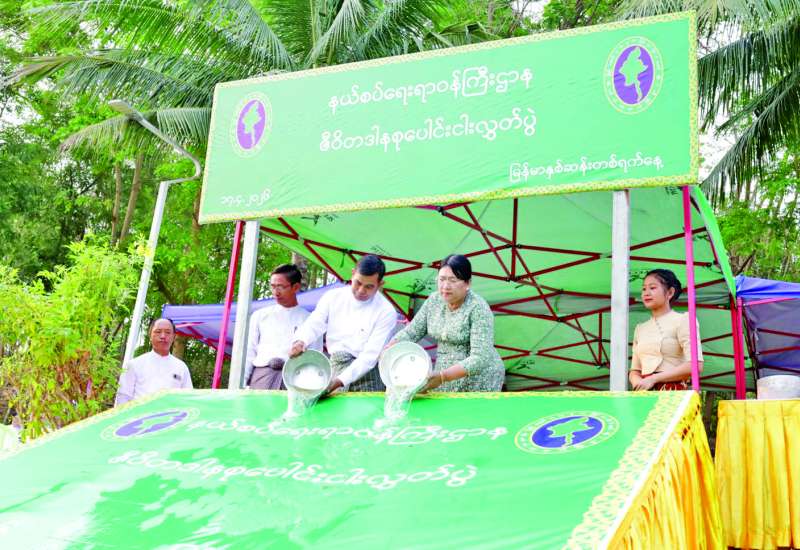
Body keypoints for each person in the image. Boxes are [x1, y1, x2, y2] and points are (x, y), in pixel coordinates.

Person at [386, 254, 504, 392]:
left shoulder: (478, 308)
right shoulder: (433, 301)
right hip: (443, 376)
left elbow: (480, 358)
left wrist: (444, 376)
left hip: (478, 379)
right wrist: (390, 346)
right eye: (441, 279)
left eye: (452, 280)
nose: (445, 286)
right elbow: (412, 332)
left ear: (468, 283)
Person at [290, 255, 396, 394]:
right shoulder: (332, 297)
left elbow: (370, 356)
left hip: (369, 375)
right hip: (336, 367)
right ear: (353, 274)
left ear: (380, 284)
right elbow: (315, 323)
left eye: (369, 287)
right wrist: (300, 341)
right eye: (358, 283)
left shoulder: (386, 311)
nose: (361, 290)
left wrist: (339, 382)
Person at [245, 264, 321, 389]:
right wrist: (242, 383)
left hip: (295, 378)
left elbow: (315, 356)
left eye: (280, 287)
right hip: (262, 375)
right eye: (273, 286)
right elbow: (249, 352)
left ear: (295, 287)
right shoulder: (260, 316)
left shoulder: (310, 320)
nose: (276, 292)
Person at [629, 269, 704, 391]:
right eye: (644, 289)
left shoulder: (683, 320)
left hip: (672, 392)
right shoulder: (640, 328)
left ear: (670, 292)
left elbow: (695, 365)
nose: (646, 293)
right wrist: (638, 382)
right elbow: (635, 370)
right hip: (644, 392)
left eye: (652, 288)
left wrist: (654, 379)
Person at [115, 318, 193, 405]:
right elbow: (123, 397)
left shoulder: (181, 367)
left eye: (167, 332)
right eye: (158, 332)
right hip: (141, 413)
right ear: (150, 335)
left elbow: (188, 398)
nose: (163, 336)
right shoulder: (134, 364)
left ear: (174, 337)